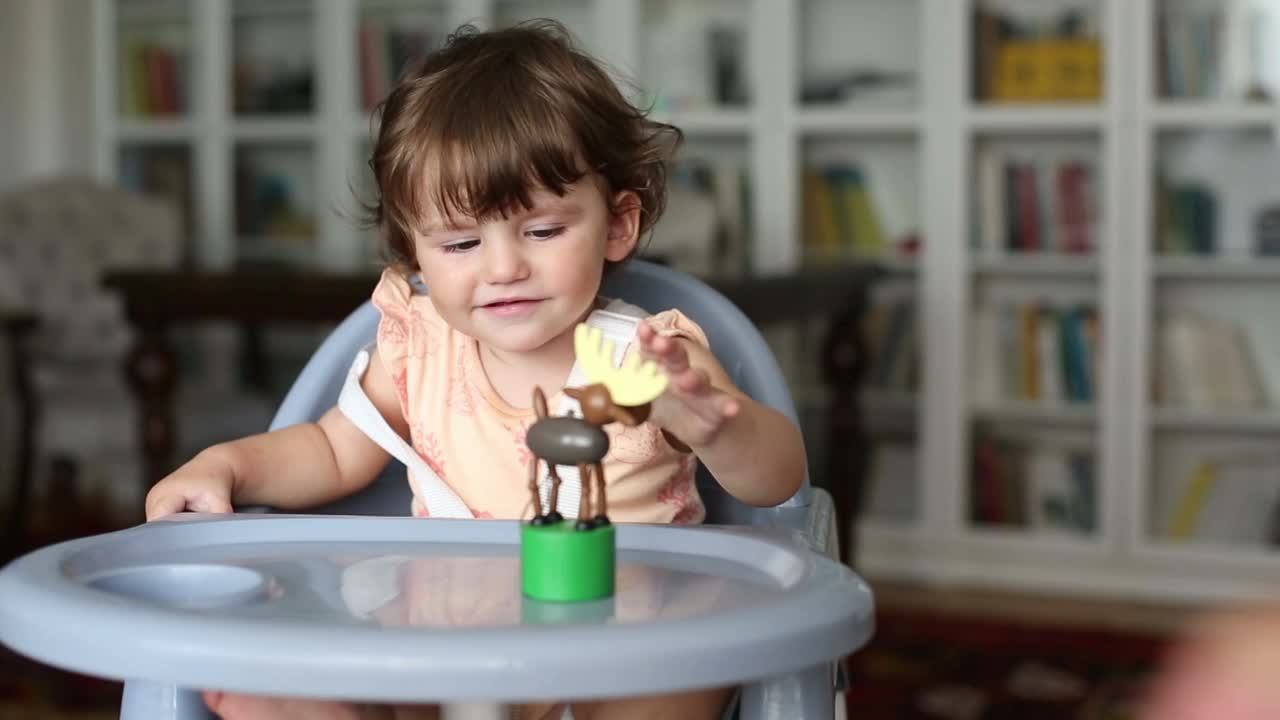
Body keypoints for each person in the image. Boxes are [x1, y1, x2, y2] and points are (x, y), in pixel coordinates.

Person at [144, 19, 806, 720]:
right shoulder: (419, 350)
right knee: (263, 682)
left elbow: (775, 483)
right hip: (449, 640)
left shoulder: (647, 355)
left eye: (544, 230)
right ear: (414, 254)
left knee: (685, 663)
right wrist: (226, 466)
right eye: (460, 242)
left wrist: (712, 427)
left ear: (617, 224)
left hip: (626, 643)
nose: (502, 268)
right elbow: (331, 449)